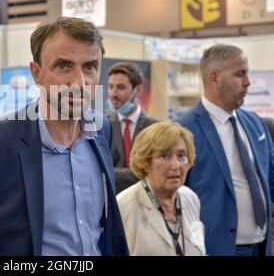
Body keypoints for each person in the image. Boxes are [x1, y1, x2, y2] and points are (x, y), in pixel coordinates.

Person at [0, 17, 129, 256]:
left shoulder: (101, 129)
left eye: (90, 67)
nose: (79, 82)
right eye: (63, 66)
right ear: (36, 72)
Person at [176, 44, 274, 256]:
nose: (248, 82)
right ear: (214, 78)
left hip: (264, 247)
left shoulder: (256, 124)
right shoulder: (183, 130)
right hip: (216, 249)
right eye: (240, 74)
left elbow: (271, 179)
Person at [117, 122, 206, 256]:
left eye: (181, 156)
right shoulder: (124, 206)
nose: (175, 165)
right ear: (146, 162)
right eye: (165, 156)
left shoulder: (191, 199)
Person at [107, 62, 159, 194]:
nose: (113, 94)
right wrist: (138, 173)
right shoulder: (102, 125)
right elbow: (98, 170)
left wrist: (112, 172)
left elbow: (155, 171)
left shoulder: (155, 128)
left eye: (120, 87)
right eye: (111, 87)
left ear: (139, 90)